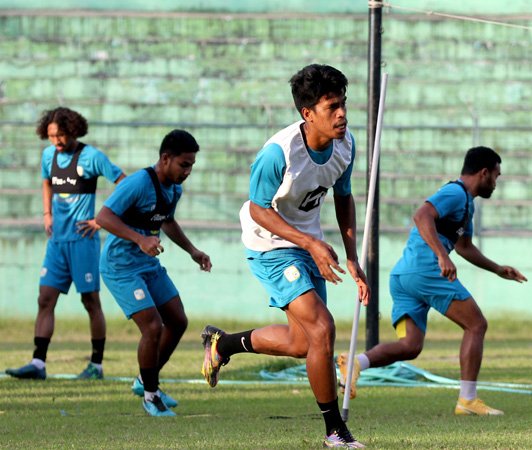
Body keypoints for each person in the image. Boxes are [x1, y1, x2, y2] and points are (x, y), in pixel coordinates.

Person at [200, 64, 370, 448]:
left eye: (343, 104)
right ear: (308, 114)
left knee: (303, 343)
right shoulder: (278, 153)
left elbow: (344, 198)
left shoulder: (347, 145)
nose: (342, 114)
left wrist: (352, 258)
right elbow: (259, 208)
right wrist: (309, 244)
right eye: (332, 107)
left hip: (309, 241)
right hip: (269, 244)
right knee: (323, 330)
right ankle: (335, 432)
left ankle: (222, 345)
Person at [337, 146, 527, 416]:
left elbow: (464, 247)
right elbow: (421, 215)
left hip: (404, 276)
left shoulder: (466, 204)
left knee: (410, 346)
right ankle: (467, 400)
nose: (496, 183)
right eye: (496, 176)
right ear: (484, 173)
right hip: (426, 271)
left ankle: (355, 363)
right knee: (476, 325)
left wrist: (497, 269)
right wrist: (441, 256)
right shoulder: (455, 193)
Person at [95, 129, 212, 417]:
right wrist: (139, 239)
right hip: (121, 266)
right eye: (184, 164)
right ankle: (150, 396)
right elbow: (103, 217)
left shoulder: (174, 189)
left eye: (191, 166)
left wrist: (192, 250)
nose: (187, 171)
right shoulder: (137, 183)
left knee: (178, 320)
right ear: (165, 158)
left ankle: (145, 380)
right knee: (152, 326)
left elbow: (167, 221)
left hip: (147, 264)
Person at [6, 107, 125, 381]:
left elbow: (125, 184)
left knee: (90, 300)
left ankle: (96, 365)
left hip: (83, 241)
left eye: (60, 135)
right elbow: (46, 183)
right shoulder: (49, 156)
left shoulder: (92, 157)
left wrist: (101, 220)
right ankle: (38, 363)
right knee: (45, 298)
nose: (56, 141)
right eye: (50, 136)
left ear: (73, 130)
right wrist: (47, 214)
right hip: (57, 242)